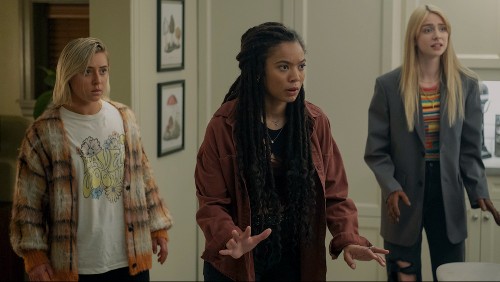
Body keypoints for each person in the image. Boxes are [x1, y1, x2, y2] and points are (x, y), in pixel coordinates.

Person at [195, 22, 388, 281]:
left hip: (297, 263)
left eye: (301, 66)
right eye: (283, 67)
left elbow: (335, 195)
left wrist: (348, 239)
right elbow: (212, 202)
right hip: (239, 265)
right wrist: (231, 238)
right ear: (258, 71)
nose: (295, 76)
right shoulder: (224, 126)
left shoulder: (315, 122)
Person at [10, 37, 173, 281]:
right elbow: (27, 204)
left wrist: (158, 226)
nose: (98, 80)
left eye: (103, 71)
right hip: (75, 265)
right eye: (87, 72)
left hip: (130, 259)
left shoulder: (124, 117)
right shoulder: (44, 133)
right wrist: (34, 255)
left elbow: (144, 177)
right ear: (68, 75)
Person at [364, 4, 500, 281]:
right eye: (427, 29)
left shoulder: (467, 85)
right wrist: (390, 187)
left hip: (447, 194)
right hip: (402, 196)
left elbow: (470, 151)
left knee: (451, 274)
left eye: (442, 28)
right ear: (414, 37)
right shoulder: (388, 86)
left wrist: (479, 190)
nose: (437, 35)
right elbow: (377, 152)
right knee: (404, 276)